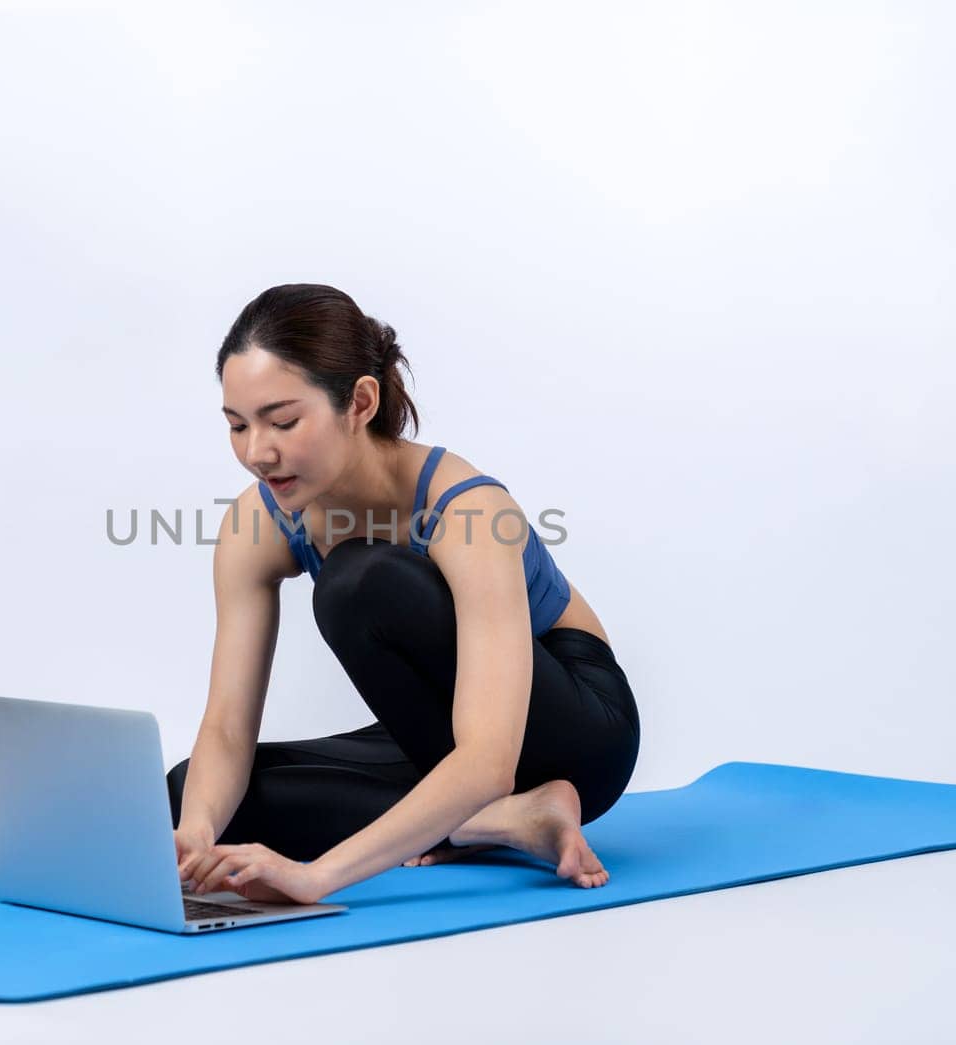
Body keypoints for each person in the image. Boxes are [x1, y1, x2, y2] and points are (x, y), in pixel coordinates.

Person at [169, 284, 640, 906]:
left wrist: (316, 877)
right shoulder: (254, 525)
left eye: (283, 421)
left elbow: (488, 757)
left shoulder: (467, 510)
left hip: (572, 727)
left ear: (360, 401)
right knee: (187, 792)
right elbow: (227, 729)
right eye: (237, 425)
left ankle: (513, 804)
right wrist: (196, 837)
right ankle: (508, 821)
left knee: (361, 581)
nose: (258, 452)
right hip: (441, 736)